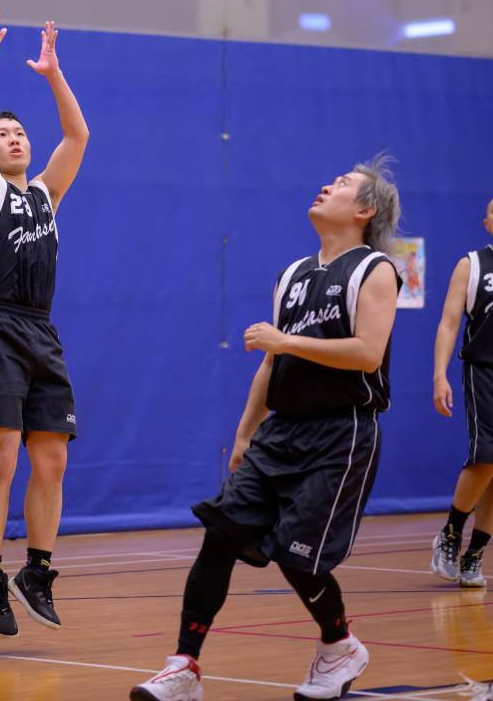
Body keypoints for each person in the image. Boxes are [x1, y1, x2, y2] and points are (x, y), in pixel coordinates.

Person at [131, 158, 401, 701]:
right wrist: (245, 432)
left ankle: (340, 645)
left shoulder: (375, 269)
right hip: (281, 432)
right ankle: (184, 666)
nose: (326, 185)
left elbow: (368, 353)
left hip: (341, 433)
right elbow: (272, 365)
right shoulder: (293, 275)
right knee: (221, 533)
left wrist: (287, 342)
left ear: (365, 211)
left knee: (296, 554)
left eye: (342, 184)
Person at [0, 1, 89, 638]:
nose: (15, 138)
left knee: (52, 460)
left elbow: (77, 137)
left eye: (20, 132)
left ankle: (36, 571)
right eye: (2, 134)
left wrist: (54, 75)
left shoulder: (45, 195)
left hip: (42, 330)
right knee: (2, 460)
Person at [431, 197, 493, 589]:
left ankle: (475, 553)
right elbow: (449, 323)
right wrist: (440, 374)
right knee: (486, 457)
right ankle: (451, 533)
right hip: (484, 369)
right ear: (487, 223)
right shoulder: (472, 265)